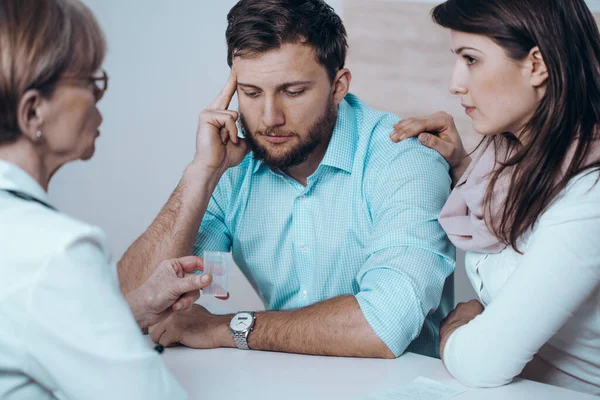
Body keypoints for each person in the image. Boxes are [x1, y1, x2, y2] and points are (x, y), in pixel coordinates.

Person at [118, 0, 455, 359]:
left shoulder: (404, 158)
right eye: (250, 93)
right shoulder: (231, 167)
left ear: (338, 86)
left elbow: (384, 324)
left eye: (292, 92)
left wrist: (224, 327)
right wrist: (201, 173)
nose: (269, 118)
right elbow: (132, 305)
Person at [0, 0, 214, 398]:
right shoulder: (55, 254)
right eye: (88, 82)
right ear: (33, 113)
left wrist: (134, 306)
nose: (99, 98)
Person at [391, 0, 600, 394]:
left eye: (471, 59)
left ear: (537, 66)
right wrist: (461, 166)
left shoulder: (590, 194)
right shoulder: (513, 159)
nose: (455, 83)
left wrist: (455, 328)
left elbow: (482, 363)